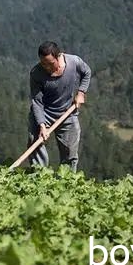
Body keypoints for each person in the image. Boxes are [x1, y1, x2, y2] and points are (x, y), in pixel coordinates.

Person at [27, 41, 91, 172]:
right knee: (35, 144)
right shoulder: (36, 73)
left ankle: (66, 181)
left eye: (50, 63)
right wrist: (42, 125)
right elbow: (37, 102)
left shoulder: (74, 62)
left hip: (67, 112)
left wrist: (81, 92)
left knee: (70, 153)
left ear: (59, 56)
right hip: (44, 113)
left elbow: (87, 73)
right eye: (43, 63)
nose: (46, 67)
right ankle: (39, 177)